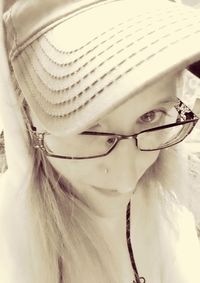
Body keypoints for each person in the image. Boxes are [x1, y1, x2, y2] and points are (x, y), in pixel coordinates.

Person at [0, 0, 200, 282]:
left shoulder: (170, 207)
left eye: (150, 116)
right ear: (23, 118)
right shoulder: (9, 250)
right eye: (87, 128)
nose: (126, 180)